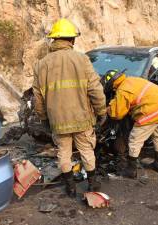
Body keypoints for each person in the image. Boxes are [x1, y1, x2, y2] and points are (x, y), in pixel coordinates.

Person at [32, 18, 107, 197]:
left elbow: (38, 98)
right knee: (87, 150)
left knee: (63, 153)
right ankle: (92, 184)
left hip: (58, 120)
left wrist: (43, 118)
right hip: (82, 118)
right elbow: (95, 90)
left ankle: (70, 187)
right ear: (71, 40)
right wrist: (101, 111)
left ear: (54, 40)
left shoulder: (41, 65)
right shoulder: (82, 59)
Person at [104, 70, 158, 178]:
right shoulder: (132, 79)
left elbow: (118, 114)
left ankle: (131, 170)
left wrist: (108, 108)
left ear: (111, 84)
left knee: (135, 140)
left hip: (152, 110)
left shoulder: (122, 90)